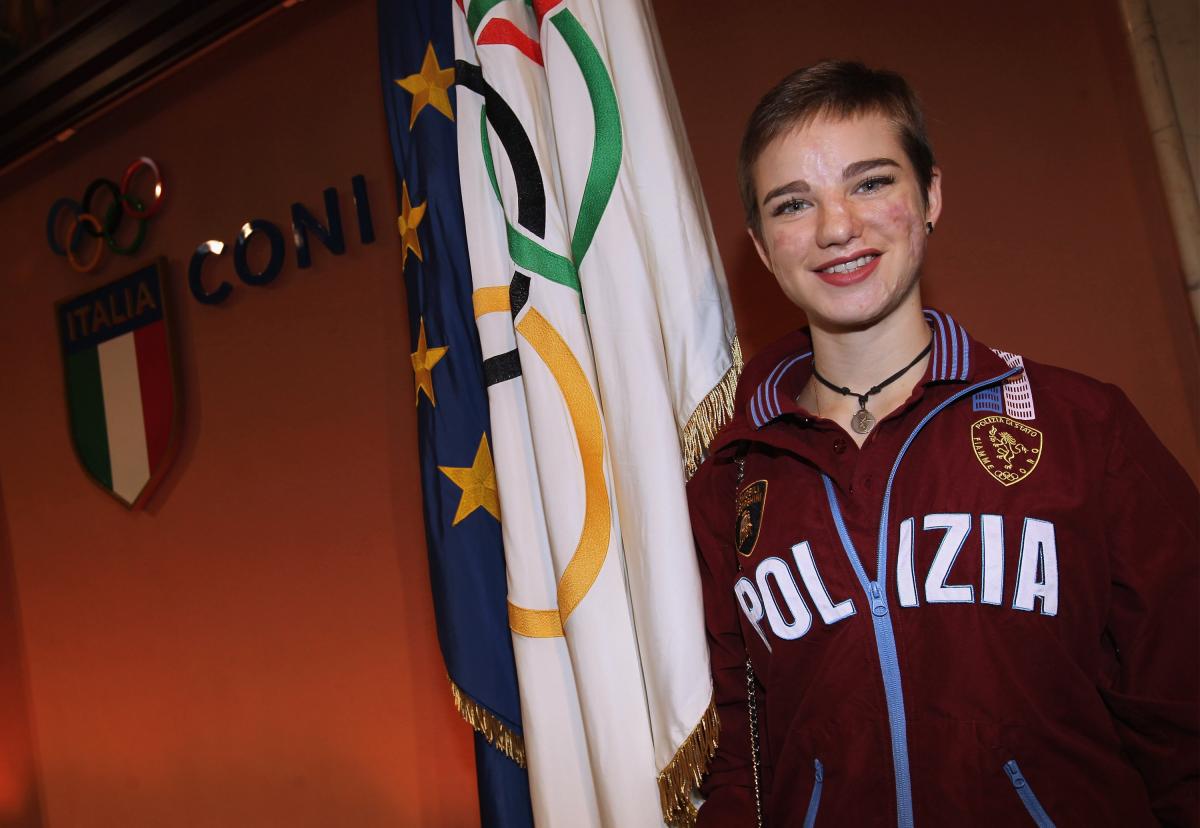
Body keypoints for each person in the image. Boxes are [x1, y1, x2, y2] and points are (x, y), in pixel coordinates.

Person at [687, 60, 1199, 827]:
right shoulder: (727, 483)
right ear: (763, 248)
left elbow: (1184, 714)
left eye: (870, 183)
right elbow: (737, 761)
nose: (835, 228)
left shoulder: (1083, 427)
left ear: (929, 198)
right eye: (794, 204)